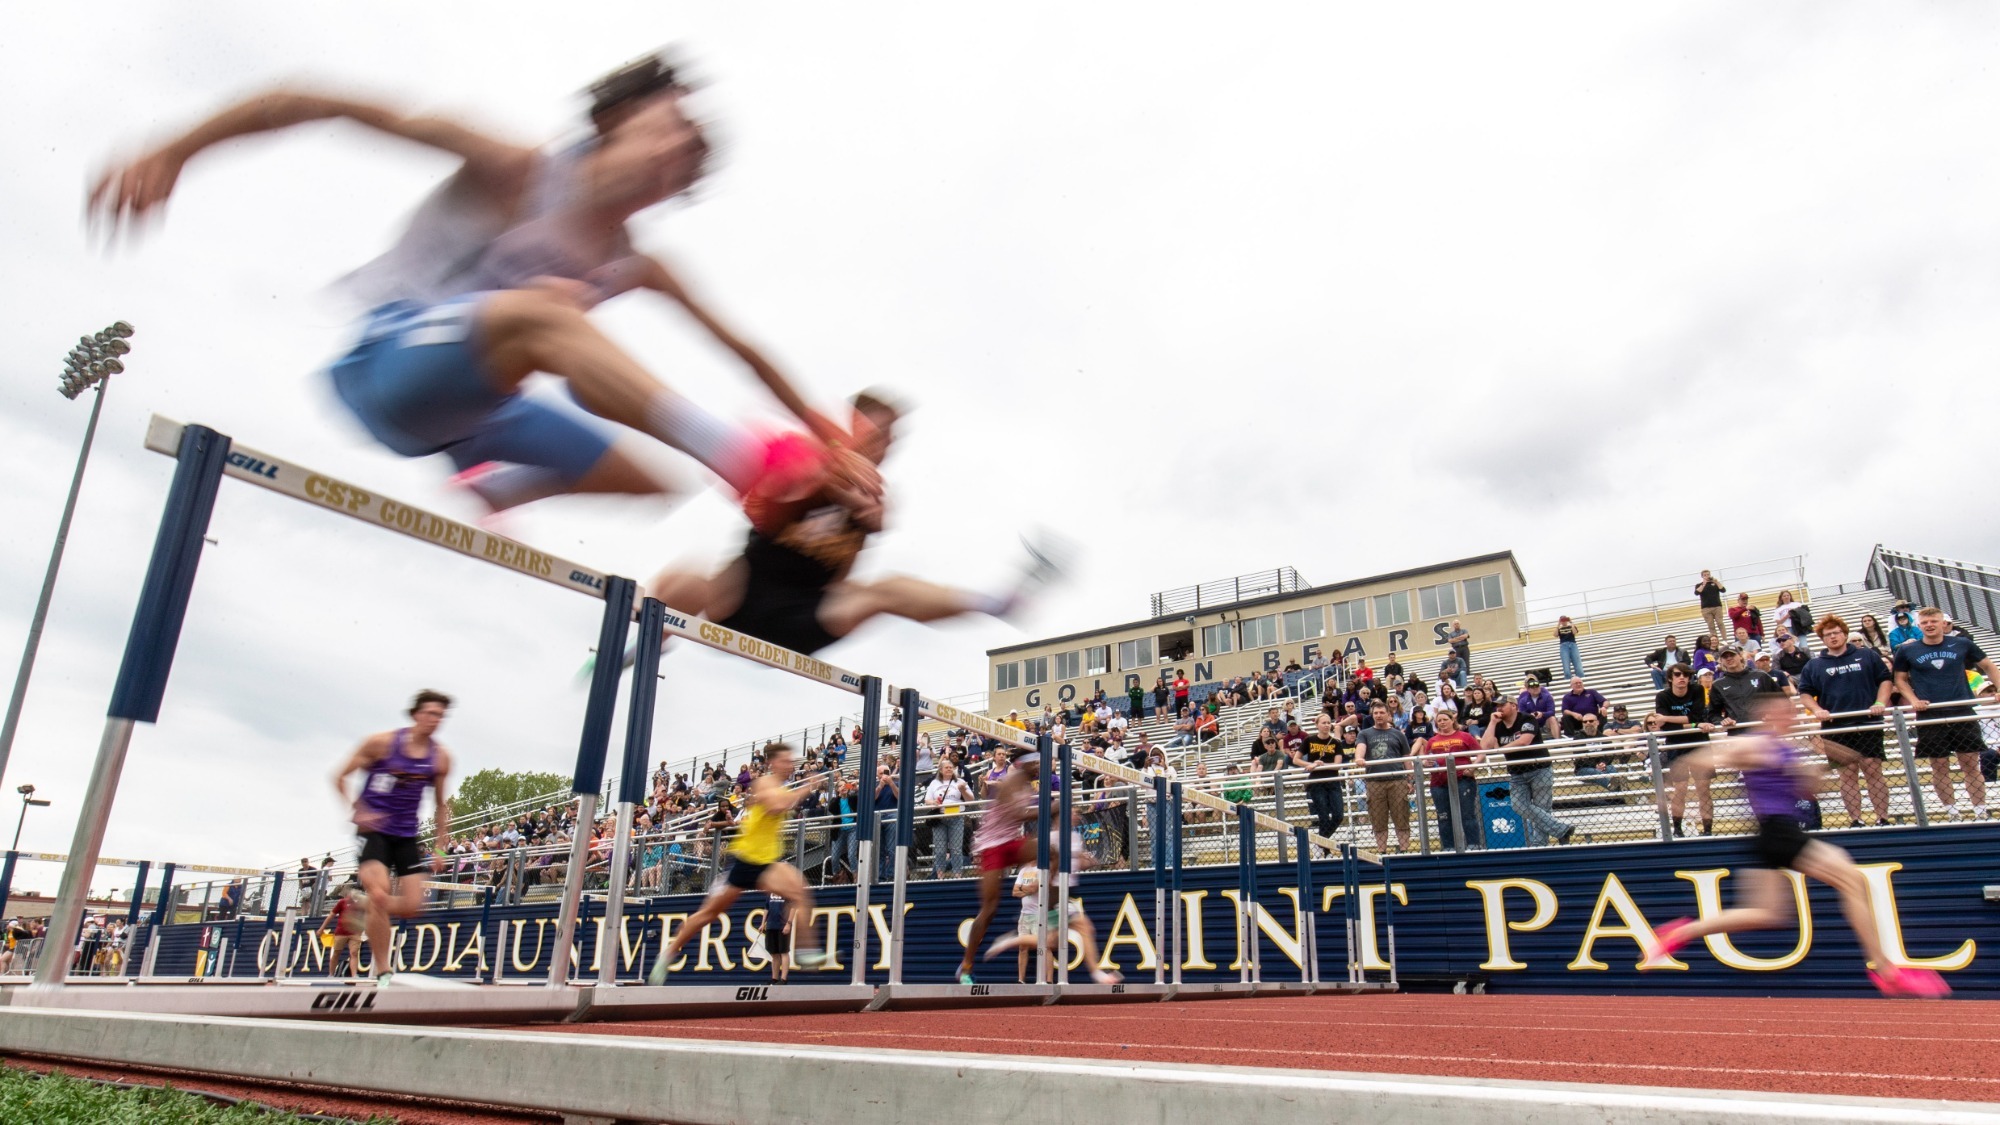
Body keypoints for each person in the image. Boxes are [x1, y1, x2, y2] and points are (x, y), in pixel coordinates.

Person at [89, 53, 880, 516]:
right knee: (547, 314)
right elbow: (317, 102)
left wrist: (831, 440)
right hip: (385, 364)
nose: (671, 162)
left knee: (646, 481)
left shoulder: (637, 260)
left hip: (478, 414)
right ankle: (737, 459)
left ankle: (492, 485)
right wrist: (177, 147)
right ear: (616, 121)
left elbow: (743, 348)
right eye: (666, 133)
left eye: (683, 167)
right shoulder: (516, 169)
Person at [1639, 696, 1949, 998]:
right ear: (1769, 716)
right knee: (1851, 879)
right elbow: (1698, 759)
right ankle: (1886, 970)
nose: (1791, 717)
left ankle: (1679, 933)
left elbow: (1803, 790)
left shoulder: (1784, 748)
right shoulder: (1756, 743)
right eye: (1784, 712)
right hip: (1777, 832)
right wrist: (1671, 799)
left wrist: (1814, 772)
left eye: (1792, 712)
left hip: (1771, 836)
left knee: (1766, 914)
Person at [649, 742, 827, 983]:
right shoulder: (764, 783)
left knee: (800, 892)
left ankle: (806, 954)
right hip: (742, 861)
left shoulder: (782, 788)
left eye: (790, 760)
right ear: (772, 763)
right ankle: (668, 953)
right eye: (785, 760)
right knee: (709, 914)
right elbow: (776, 807)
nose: (790, 764)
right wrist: (806, 788)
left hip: (766, 863)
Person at [332, 689, 454, 983]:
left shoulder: (440, 758)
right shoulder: (382, 744)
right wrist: (357, 809)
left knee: (413, 906)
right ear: (415, 714)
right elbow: (339, 776)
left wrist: (440, 846)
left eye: (440, 715)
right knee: (379, 891)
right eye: (430, 713)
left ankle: (362, 904)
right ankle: (384, 969)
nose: (435, 720)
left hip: (406, 835)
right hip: (374, 831)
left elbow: (440, 805)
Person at [1891, 607, 1995, 819]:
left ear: (1943, 623)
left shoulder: (1961, 643)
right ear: (1919, 625)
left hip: (1961, 710)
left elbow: (1988, 665)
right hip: (1930, 714)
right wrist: (1914, 700)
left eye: (1934, 621)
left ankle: (1981, 811)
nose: (1929, 625)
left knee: (1970, 764)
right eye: (1925, 622)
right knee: (1939, 766)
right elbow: (1899, 679)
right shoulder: (1908, 650)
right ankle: (1952, 812)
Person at [1798, 615, 1895, 829]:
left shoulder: (1866, 655)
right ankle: (1856, 819)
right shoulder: (1814, 665)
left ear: (1844, 633)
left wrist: (1880, 702)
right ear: (1822, 639)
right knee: (1847, 772)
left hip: (1867, 722)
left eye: (1836, 633)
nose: (1832, 637)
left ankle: (1882, 818)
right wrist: (1817, 710)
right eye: (1827, 635)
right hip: (1836, 726)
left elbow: (1885, 680)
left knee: (1872, 768)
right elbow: (1804, 693)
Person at [956, 748, 1041, 985]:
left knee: (1049, 851)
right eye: (1038, 764)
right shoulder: (1012, 780)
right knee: (990, 908)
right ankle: (966, 967)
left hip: (1011, 841)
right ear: (1025, 765)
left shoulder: (1028, 784)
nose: (1042, 768)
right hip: (991, 845)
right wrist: (1051, 808)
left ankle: (1051, 908)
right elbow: (1018, 813)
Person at [1481, 696, 1576, 846]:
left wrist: (1499, 749)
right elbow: (1484, 746)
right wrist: (1492, 723)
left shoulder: (1527, 719)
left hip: (1539, 768)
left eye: (1502, 705)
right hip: (1516, 772)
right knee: (1518, 805)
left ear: (1513, 705)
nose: (1498, 708)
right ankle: (1561, 830)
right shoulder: (1497, 725)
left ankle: (1539, 845)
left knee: (1542, 808)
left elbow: (1524, 741)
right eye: (1496, 706)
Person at [1653, 664, 1720, 836]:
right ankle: (1677, 829)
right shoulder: (1662, 696)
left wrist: (1669, 718)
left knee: (1703, 788)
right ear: (1670, 678)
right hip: (1677, 745)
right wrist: (1693, 724)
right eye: (1677, 674)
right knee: (1680, 789)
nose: (1681, 677)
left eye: (1686, 675)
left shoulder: (1697, 690)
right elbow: (1664, 727)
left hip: (1699, 744)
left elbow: (1695, 716)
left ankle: (1707, 831)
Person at [1420, 708, 1483, 850]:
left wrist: (1472, 768)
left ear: (1452, 720)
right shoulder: (1432, 740)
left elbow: (1481, 754)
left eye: (1445, 720)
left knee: (1467, 813)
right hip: (1438, 782)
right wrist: (1425, 763)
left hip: (1463, 779)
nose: (1442, 723)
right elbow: (1427, 759)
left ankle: (1474, 845)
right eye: (1439, 720)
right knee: (1443, 816)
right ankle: (1448, 847)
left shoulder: (1465, 736)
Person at [1357, 703, 1412, 853]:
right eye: (1376, 713)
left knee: (1401, 816)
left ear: (1389, 715)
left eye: (1382, 712)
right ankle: (1382, 851)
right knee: (1378, 819)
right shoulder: (1365, 733)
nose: (1379, 715)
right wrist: (1359, 758)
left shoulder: (1398, 734)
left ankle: (1404, 850)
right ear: (1372, 715)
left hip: (1397, 780)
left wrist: (1410, 779)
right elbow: (1360, 748)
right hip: (1374, 781)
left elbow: (1406, 758)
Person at [924, 759, 975, 878]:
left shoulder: (961, 781)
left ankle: (958, 875)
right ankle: (940, 875)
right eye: (946, 767)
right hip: (940, 818)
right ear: (941, 770)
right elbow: (927, 800)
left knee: (956, 849)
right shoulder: (934, 783)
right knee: (940, 849)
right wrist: (934, 802)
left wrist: (962, 790)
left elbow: (971, 800)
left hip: (956, 817)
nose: (949, 769)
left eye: (951, 767)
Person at [317, 879, 369, 978]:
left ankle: (354, 974)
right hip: (341, 932)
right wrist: (321, 928)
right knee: (336, 952)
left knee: (354, 953)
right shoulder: (343, 902)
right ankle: (331, 974)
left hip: (355, 932)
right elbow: (331, 915)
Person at [763, 891, 791, 982]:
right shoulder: (770, 893)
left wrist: (789, 923)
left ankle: (783, 979)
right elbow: (766, 908)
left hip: (782, 925)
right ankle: (774, 978)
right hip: (771, 925)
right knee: (774, 953)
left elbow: (793, 908)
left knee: (784, 952)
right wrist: (763, 923)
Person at [1695, 570, 1728, 647]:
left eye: (1708, 574)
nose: (1707, 576)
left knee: (1720, 622)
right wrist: (1704, 584)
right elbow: (1697, 593)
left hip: (1717, 606)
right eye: (1705, 575)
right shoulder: (1699, 585)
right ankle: (1715, 640)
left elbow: (1723, 590)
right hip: (1706, 608)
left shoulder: (1715, 583)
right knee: (1711, 625)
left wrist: (1716, 582)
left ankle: (1724, 639)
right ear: (1702, 576)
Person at [1554, 616, 1585, 680]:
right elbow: (1555, 635)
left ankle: (1581, 678)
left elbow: (1574, 632)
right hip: (1564, 646)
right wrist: (1558, 624)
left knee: (1578, 664)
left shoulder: (1571, 626)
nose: (1564, 621)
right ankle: (1568, 679)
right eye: (1562, 620)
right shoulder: (1559, 628)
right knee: (1566, 665)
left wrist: (1571, 622)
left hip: (1572, 644)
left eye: (1565, 620)